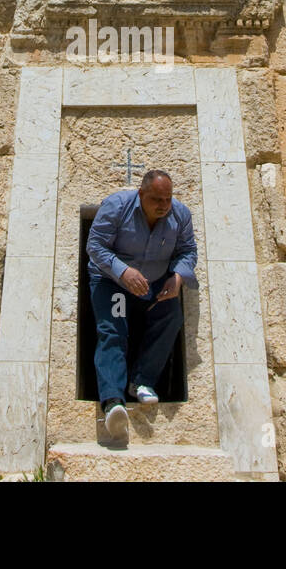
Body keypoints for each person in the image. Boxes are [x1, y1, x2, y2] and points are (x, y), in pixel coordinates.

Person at [85, 168, 198, 440]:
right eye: (156, 199)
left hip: (157, 282)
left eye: (167, 199)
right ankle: (113, 401)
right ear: (141, 194)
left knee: (170, 318)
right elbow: (95, 245)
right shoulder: (116, 206)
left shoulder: (180, 215)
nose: (163, 206)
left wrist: (178, 277)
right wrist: (123, 271)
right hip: (114, 283)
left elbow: (188, 250)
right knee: (113, 331)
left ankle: (143, 382)